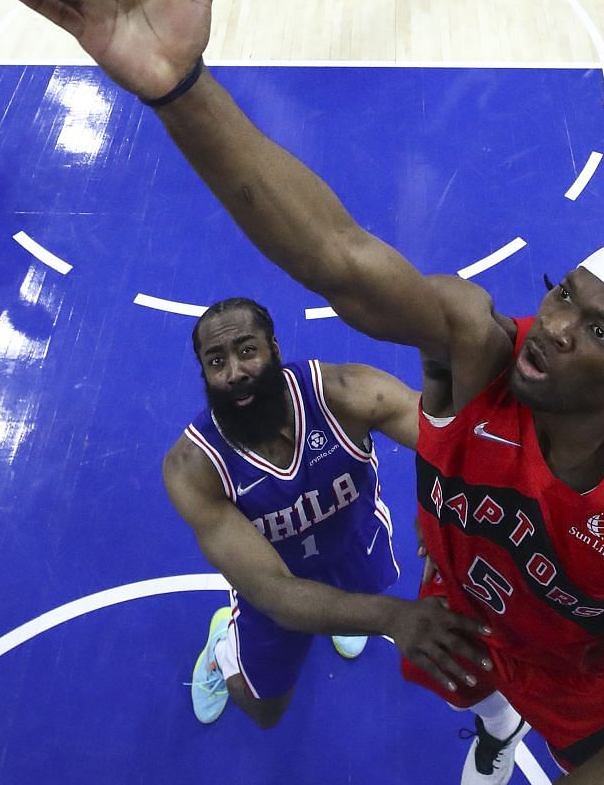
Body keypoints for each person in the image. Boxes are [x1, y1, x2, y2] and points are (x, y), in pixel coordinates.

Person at [0, 0, 604, 785]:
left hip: (581, 669)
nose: (559, 327)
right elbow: (335, 256)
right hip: (464, 606)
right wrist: (178, 88)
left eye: (599, 332)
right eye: (566, 294)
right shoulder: (479, 346)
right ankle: (497, 730)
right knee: (462, 683)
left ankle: (510, 729)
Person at [168, 298, 435, 727]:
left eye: (246, 350)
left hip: (354, 548)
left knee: (356, 605)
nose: (234, 372)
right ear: (204, 373)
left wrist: (435, 508)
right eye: (216, 361)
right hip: (277, 583)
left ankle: (343, 614)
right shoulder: (193, 467)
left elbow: (446, 436)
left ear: (274, 348)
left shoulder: (343, 393)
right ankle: (224, 647)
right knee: (266, 711)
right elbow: (275, 594)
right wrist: (395, 618)